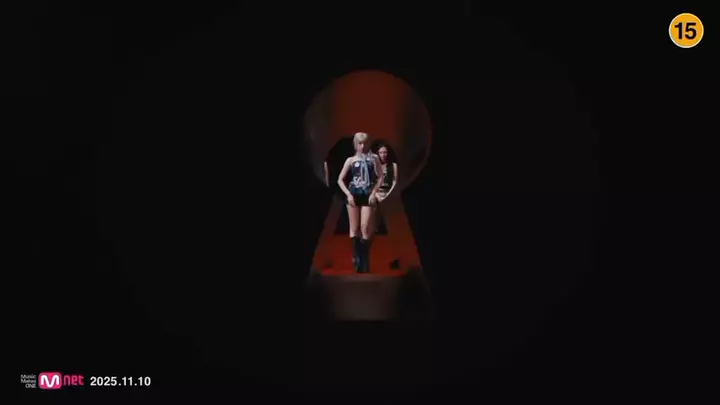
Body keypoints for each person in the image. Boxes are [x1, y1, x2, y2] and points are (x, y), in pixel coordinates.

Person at [337, 132, 384, 273]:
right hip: (353, 193)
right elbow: (340, 179)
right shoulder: (350, 160)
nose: (362, 146)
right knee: (354, 228)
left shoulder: (374, 158)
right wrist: (348, 194)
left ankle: (363, 256)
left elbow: (380, 177)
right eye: (360, 143)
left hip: (367, 194)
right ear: (355, 144)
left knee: (365, 227)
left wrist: (374, 192)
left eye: (364, 143)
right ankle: (358, 258)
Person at [373, 143, 399, 233]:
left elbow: (395, 181)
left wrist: (388, 195)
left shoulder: (393, 165)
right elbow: (372, 182)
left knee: (387, 210)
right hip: (376, 192)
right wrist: (376, 194)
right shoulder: (374, 165)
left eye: (385, 152)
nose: (383, 155)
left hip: (388, 192)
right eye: (381, 152)